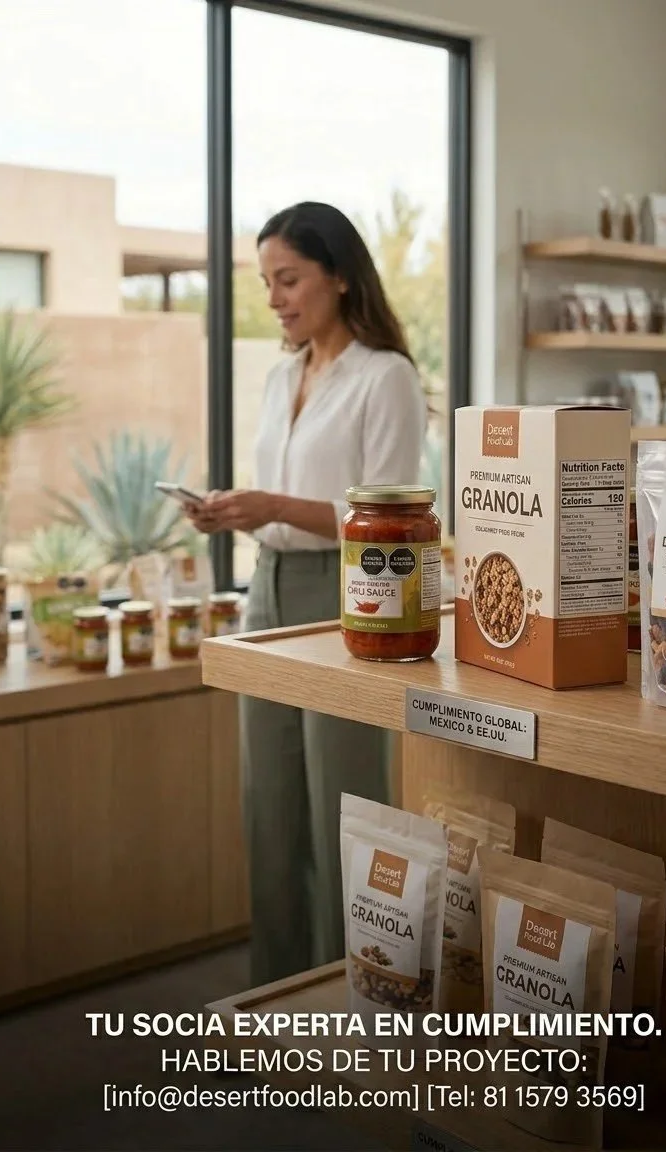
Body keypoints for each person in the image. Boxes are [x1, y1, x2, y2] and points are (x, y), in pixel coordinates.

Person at [187, 201, 427, 985]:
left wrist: (273, 507)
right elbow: (286, 497)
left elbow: (393, 510)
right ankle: (276, 998)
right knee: (272, 808)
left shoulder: (385, 377)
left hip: (350, 598)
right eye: (267, 283)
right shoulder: (280, 375)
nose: (276, 298)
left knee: (341, 807)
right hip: (271, 587)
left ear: (341, 276)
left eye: (289, 278)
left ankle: (347, 1001)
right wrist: (233, 511)